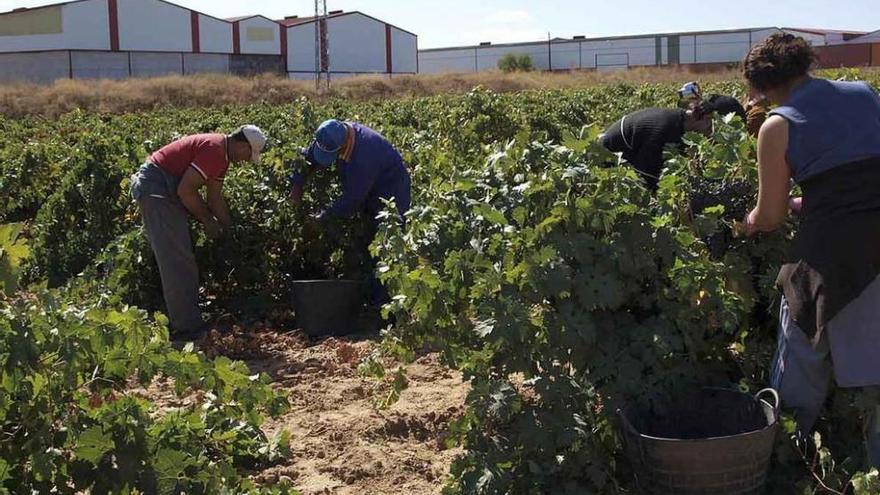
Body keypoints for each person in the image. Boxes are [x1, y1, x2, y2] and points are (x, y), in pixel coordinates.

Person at [741, 33, 880, 468]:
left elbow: (769, 217)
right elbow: (855, 174)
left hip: (835, 255)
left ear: (760, 86)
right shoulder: (864, 93)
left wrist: (745, 222)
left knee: (802, 334)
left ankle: (788, 456)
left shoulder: (777, 126)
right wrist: (809, 199)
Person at [130, 125, 267, 340]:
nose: (248, 160)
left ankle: (188, 321)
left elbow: (215, 199)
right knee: (177, 260)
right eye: (249, 154)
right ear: (242, 145)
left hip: (166, 191)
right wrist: (207, 220)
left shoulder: (222, 157)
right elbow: (186, 191)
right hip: (157, 191)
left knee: (182, 258)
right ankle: (186, 328)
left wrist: (230, 231)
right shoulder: (214, 150)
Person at [289, 119, 411, 307]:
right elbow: (308, 158)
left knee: (384, 249)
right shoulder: (330, 136)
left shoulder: (365, 154)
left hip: (392, 194)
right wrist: (297, 185)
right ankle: (367, 294)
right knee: (365, 243)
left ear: (344, 144)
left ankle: (382, 309)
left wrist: (321, 219)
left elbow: (353, 198)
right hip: (368, 189)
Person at [600, 97, 745, 191]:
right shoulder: (663, 131)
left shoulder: (683, 127)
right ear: (708, 118)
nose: (717, 141)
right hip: (605, 165)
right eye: (722, 131)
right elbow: (644, 179)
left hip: (629, 162)